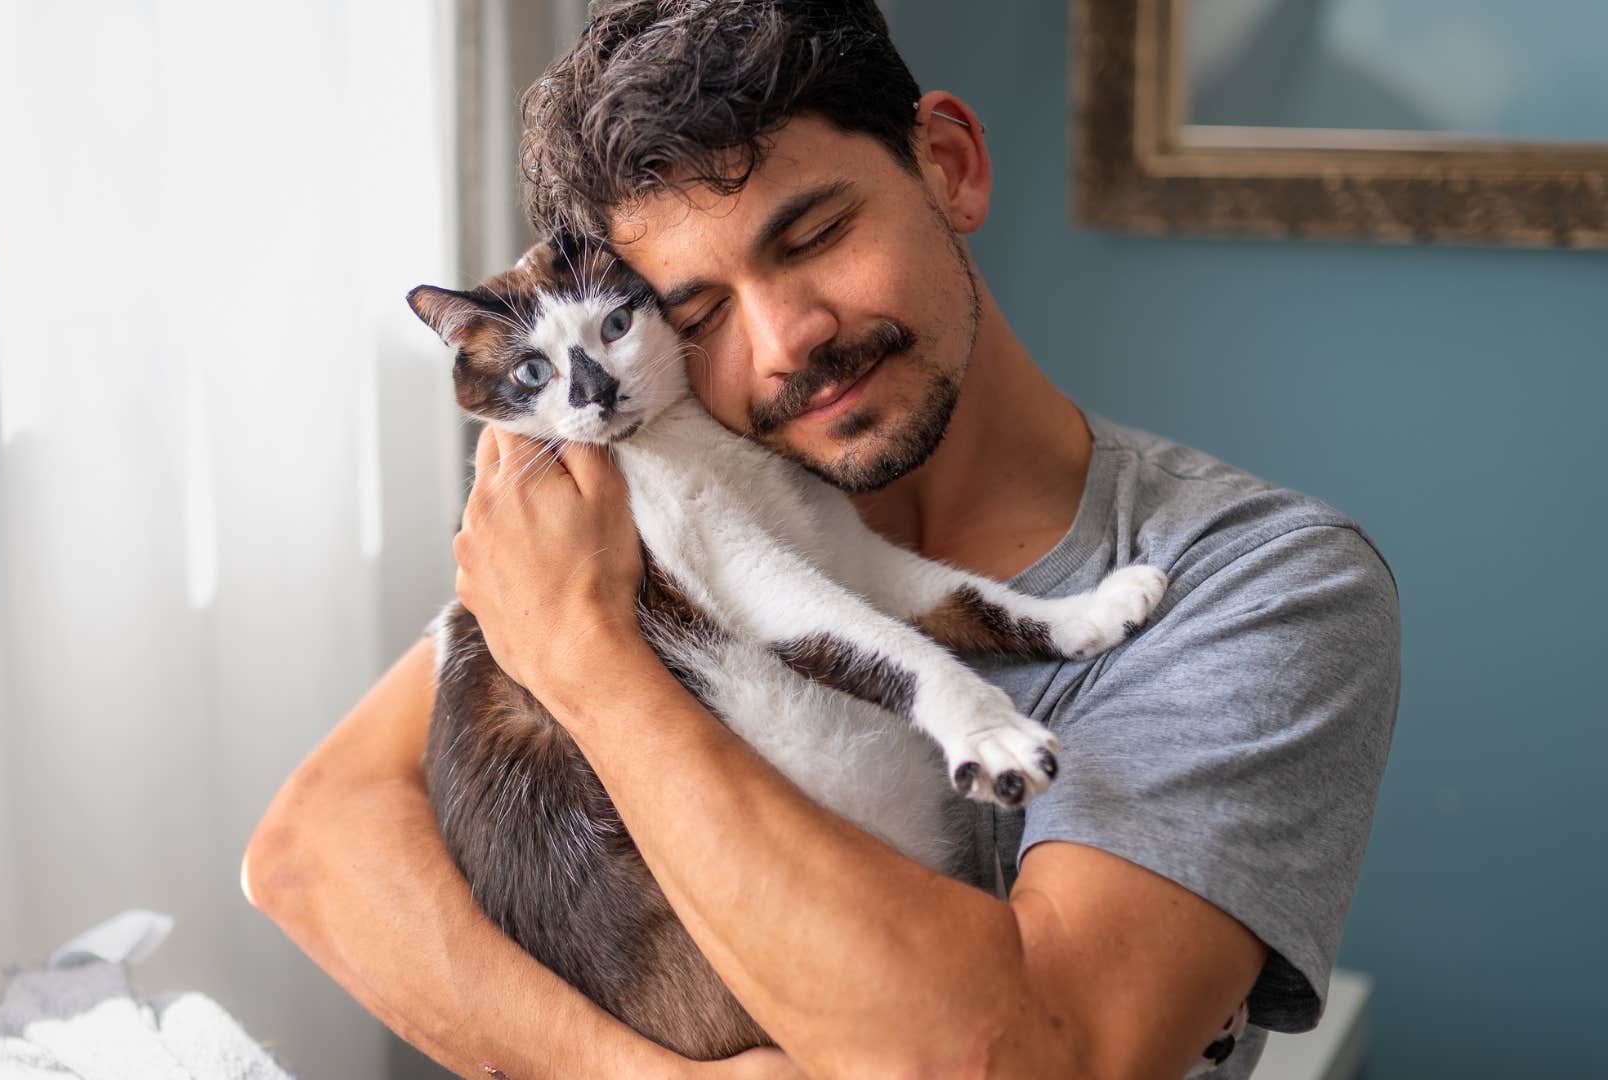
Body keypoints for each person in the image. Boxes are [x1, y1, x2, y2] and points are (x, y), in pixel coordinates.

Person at [243, 3, 1400, 1077]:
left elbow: (1026, 1057)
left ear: (949, 166)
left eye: (813, 236)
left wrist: (587, 661)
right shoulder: (645, 493)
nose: (784, 339)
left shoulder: (1262, 584)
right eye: (698, 311)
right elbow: (309, 851)